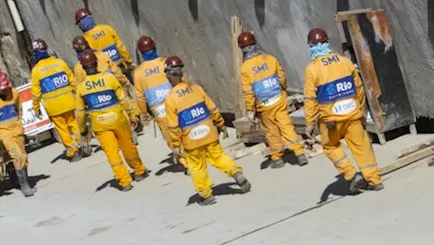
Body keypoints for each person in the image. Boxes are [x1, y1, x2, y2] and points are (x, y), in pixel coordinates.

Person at [303, 28, 383, 194]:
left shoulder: (312, 69)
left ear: (311, 46)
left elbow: (310, 99)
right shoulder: (344, 61)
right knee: (362, 147)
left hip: (331, 120)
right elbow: (359, 88)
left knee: (330, 147)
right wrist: (360, 110)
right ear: (326, 42)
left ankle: (351, 174)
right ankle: (374, 180)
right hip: (352, 113)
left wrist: (310, 123)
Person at [162, 56, 250, 205]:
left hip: (191, 140)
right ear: (182, 73)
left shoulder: (171, 100)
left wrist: (176, 145)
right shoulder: (196, 88)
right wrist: (221, 125)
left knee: (196, 166)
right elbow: (213, 109)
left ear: (168, 75)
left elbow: (173, 126)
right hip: (209, 133)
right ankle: (236, 172)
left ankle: (207, 195)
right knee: (219, 156)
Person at [75, 50, 146, 190]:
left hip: (100, 125)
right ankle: (139, 171)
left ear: (83, 68)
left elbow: (80, 113)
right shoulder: (109, 78)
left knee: (111, 153)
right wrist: (133, 115)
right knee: (128, 146)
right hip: (118, 119)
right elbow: (124, 99)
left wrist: (83, 129)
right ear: (96, 63)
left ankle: (124, 181)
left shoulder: (81, 88)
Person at [238, 30, 307, 169]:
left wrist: (250, 110)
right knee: (286, 126)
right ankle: (299, 153)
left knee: (272, 131)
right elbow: (282, 77)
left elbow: (248, 92)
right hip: (279, 100)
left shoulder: (245, 68)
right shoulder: (270, 59)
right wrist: (284, 89)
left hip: (264, 105)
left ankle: (277, 158)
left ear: (243, 49)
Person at [0, 71, 35, 197]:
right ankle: (24, 186)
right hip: (4, 134)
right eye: (2, 89)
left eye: (6, 89)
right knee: (18, 157)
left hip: (17, 129)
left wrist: (20, 123)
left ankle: (22, 178)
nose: (5, 91)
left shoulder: (14, 93)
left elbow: (18, 109)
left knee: (24, 157)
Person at [28, 39, 84, 162]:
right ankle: (82, 145)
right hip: (69, 101)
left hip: (54, 107)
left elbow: (36, 93)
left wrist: (36, 108)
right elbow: (72, 81)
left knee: (62, 129)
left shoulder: (36, 70)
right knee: (74, 124)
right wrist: (79, 96)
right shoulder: (59, 62)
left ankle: (73, 151)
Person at [131, 35, 178, 158]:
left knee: (169, 135)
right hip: (175, 102)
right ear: (155, 47)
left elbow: (140, 96)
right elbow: (180, 81)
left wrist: (142, 113)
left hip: (159, 110)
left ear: (141, 52)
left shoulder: (138, 72)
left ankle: (184, 160)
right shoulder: (165, 63)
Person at [73, 8, 132, 73]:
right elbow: (120, 47)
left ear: (82, 22)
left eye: (79, 24)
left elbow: (86, 61)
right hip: (119, 65)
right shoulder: (107, 28)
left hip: (106, 71)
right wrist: (129, 61)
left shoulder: (85, 39)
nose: (79, 26)